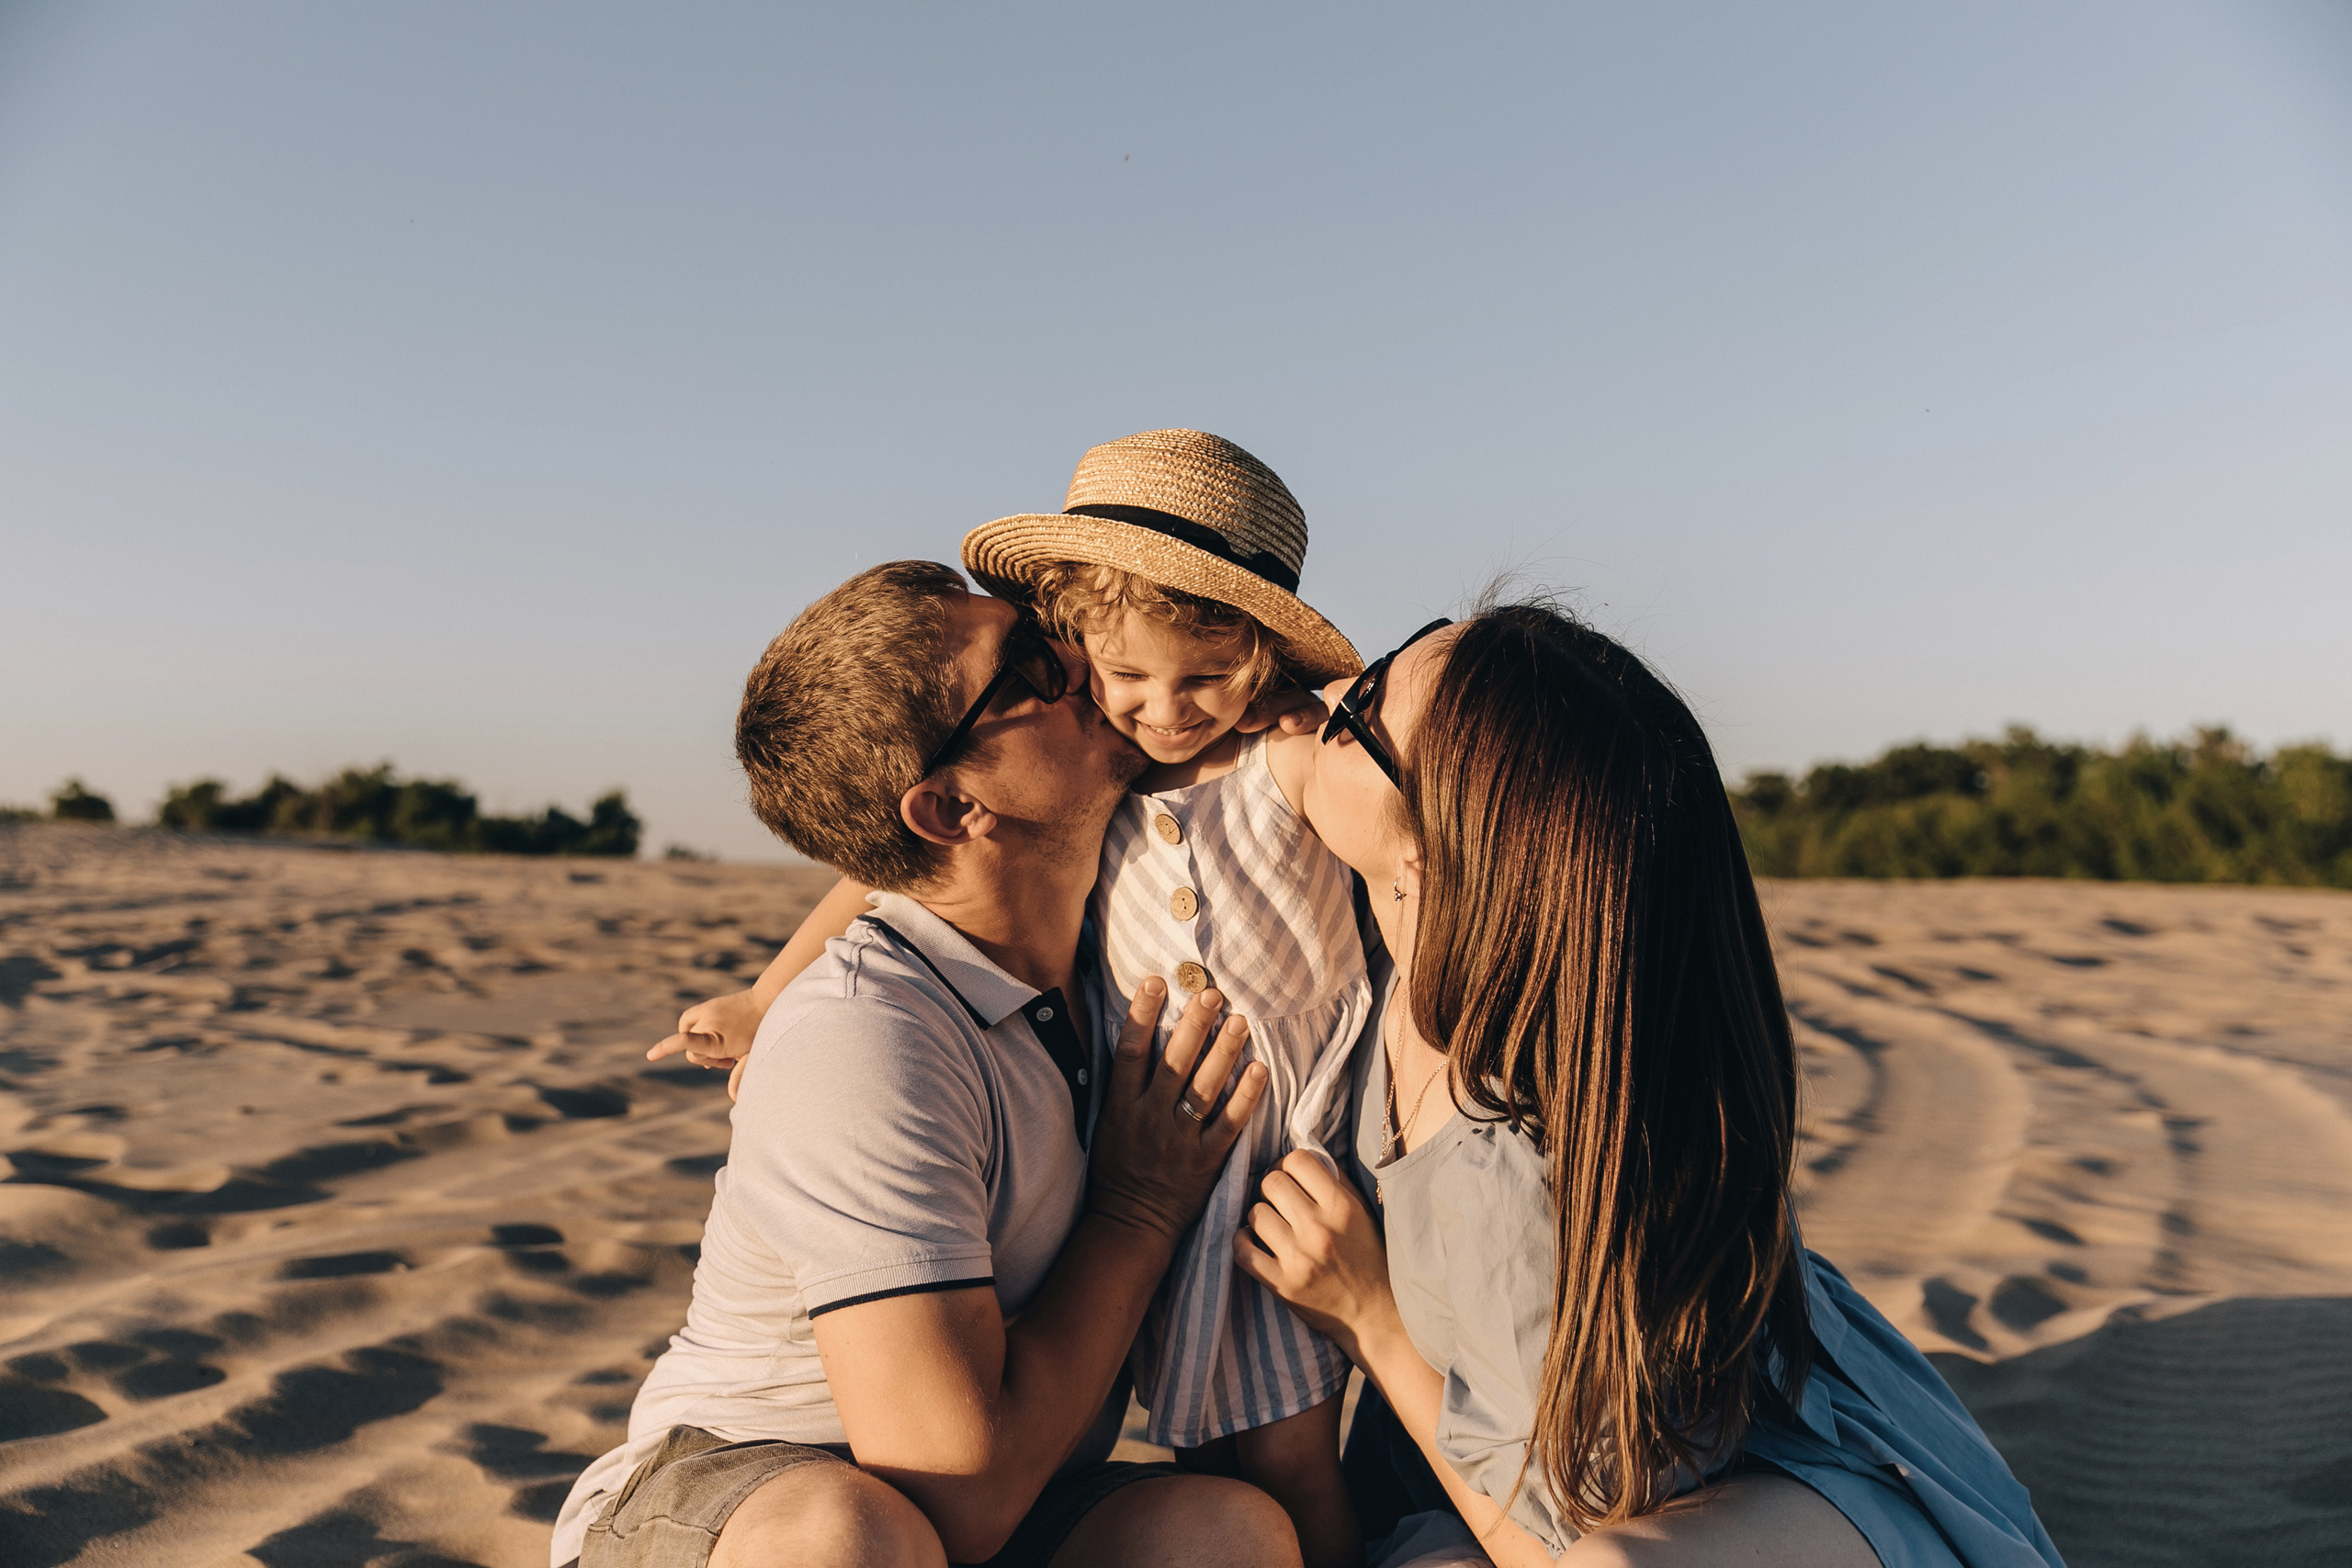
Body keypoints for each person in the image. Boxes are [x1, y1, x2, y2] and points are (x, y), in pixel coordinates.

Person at [653, 431, 1377, 1568]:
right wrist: (1138, 1209)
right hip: (762, 1485)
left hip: (1011, 1488)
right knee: (851, 1540)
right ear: (945, 810)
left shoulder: (1101, 947)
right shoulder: (865, 1033)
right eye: (1037, 667)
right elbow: (954, 1492)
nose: (1086, 668)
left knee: (1227, 1533)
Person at [1235, 602, 2069, 1567]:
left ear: (1424, 850)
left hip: (1749, 1500)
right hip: (1621, 1467)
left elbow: (1562, 1541)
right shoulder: (1409, 948)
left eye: (1364, 701)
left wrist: (1367, 1315)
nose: (1327, 691)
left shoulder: (1506, 1171)